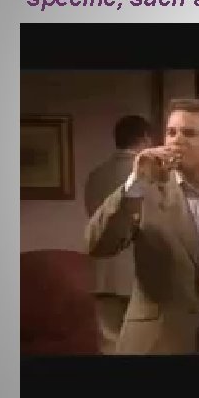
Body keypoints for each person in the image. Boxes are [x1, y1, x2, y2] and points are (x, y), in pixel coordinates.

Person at [85, 98, 199, 354]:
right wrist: (135, 182)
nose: (176, 140)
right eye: (171, 132)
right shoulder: (144, 192)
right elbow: (97, 243)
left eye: (189, 133)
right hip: (156, 342)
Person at [84, 115, 153, 354]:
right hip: (141, 274)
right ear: (145, 138)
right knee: (143, 346)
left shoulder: (95, 175)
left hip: (103, 273)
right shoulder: (151, 176)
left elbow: (96, 221)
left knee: (109, 345)